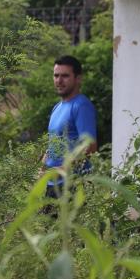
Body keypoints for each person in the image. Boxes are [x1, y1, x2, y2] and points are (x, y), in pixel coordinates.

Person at [40, 55, 98, 199]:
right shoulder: (57, 107)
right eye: (56, 75)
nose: (59, 80)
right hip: (53, 186)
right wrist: (43, 166)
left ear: (78, 78)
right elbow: (54, 143)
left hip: (74, 185)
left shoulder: (81, 106)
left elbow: (90, 147)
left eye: (65, 76)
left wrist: (59, 170)